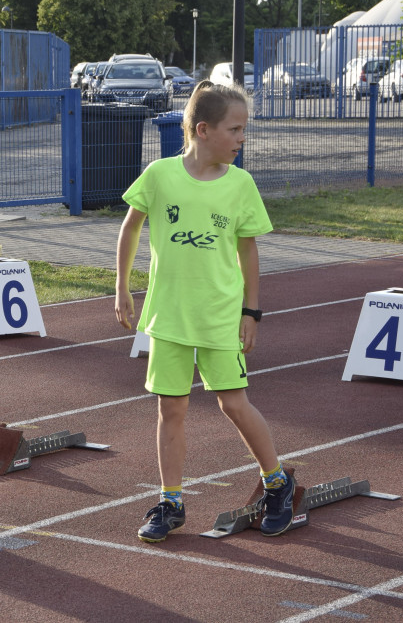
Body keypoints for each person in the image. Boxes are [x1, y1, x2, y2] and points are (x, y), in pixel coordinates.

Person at [115, 80, 294, 543]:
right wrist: (122, 287)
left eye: (243, 130)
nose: (241, 139)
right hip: (170, 316)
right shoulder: (159, 175)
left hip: (219, 315)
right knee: (170, 409)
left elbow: (249, 252)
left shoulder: (241, 184)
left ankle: (277, 484)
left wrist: (251, 311)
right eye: (235, 129)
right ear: (202, 129)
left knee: (233, 403)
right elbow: (130, 228)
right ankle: (171, 500)